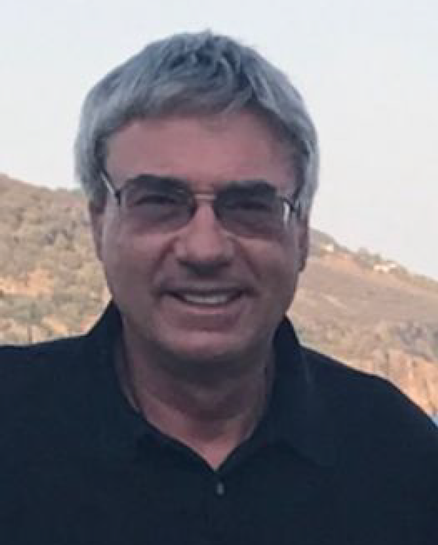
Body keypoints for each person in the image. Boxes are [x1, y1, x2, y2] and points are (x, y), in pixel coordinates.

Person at [0, 31, 437, 545]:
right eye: (160, 202)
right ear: (99, 224)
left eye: (248, 206)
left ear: (301, 234)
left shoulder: (402, 460)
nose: (204, 249)